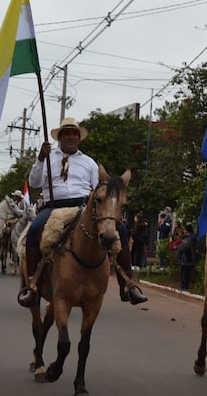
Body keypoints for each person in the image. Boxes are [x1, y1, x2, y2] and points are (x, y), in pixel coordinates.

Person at [16, 117, 147, 308]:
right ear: (59, 138)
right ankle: (32, 286)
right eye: (66, 133)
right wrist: (40, 159)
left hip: (82, 207)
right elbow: (35, 183)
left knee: (122, 231)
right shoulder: (47, 157)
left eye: (74, 134)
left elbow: (98, 190)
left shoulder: (89, 163)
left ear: (79, 138)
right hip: (53, 208)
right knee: (34, 230)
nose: (70, 137)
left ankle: (127, 284)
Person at [173, 224, 197, 291]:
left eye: (184, 230)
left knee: (185, 273)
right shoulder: (187, 238)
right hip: (185, 259)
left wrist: (177, 247)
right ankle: (183, 286)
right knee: (183, 273)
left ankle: (185, 287)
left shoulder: (190, 238)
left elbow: (184, 246)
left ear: (187, 230)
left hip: (187, 259)